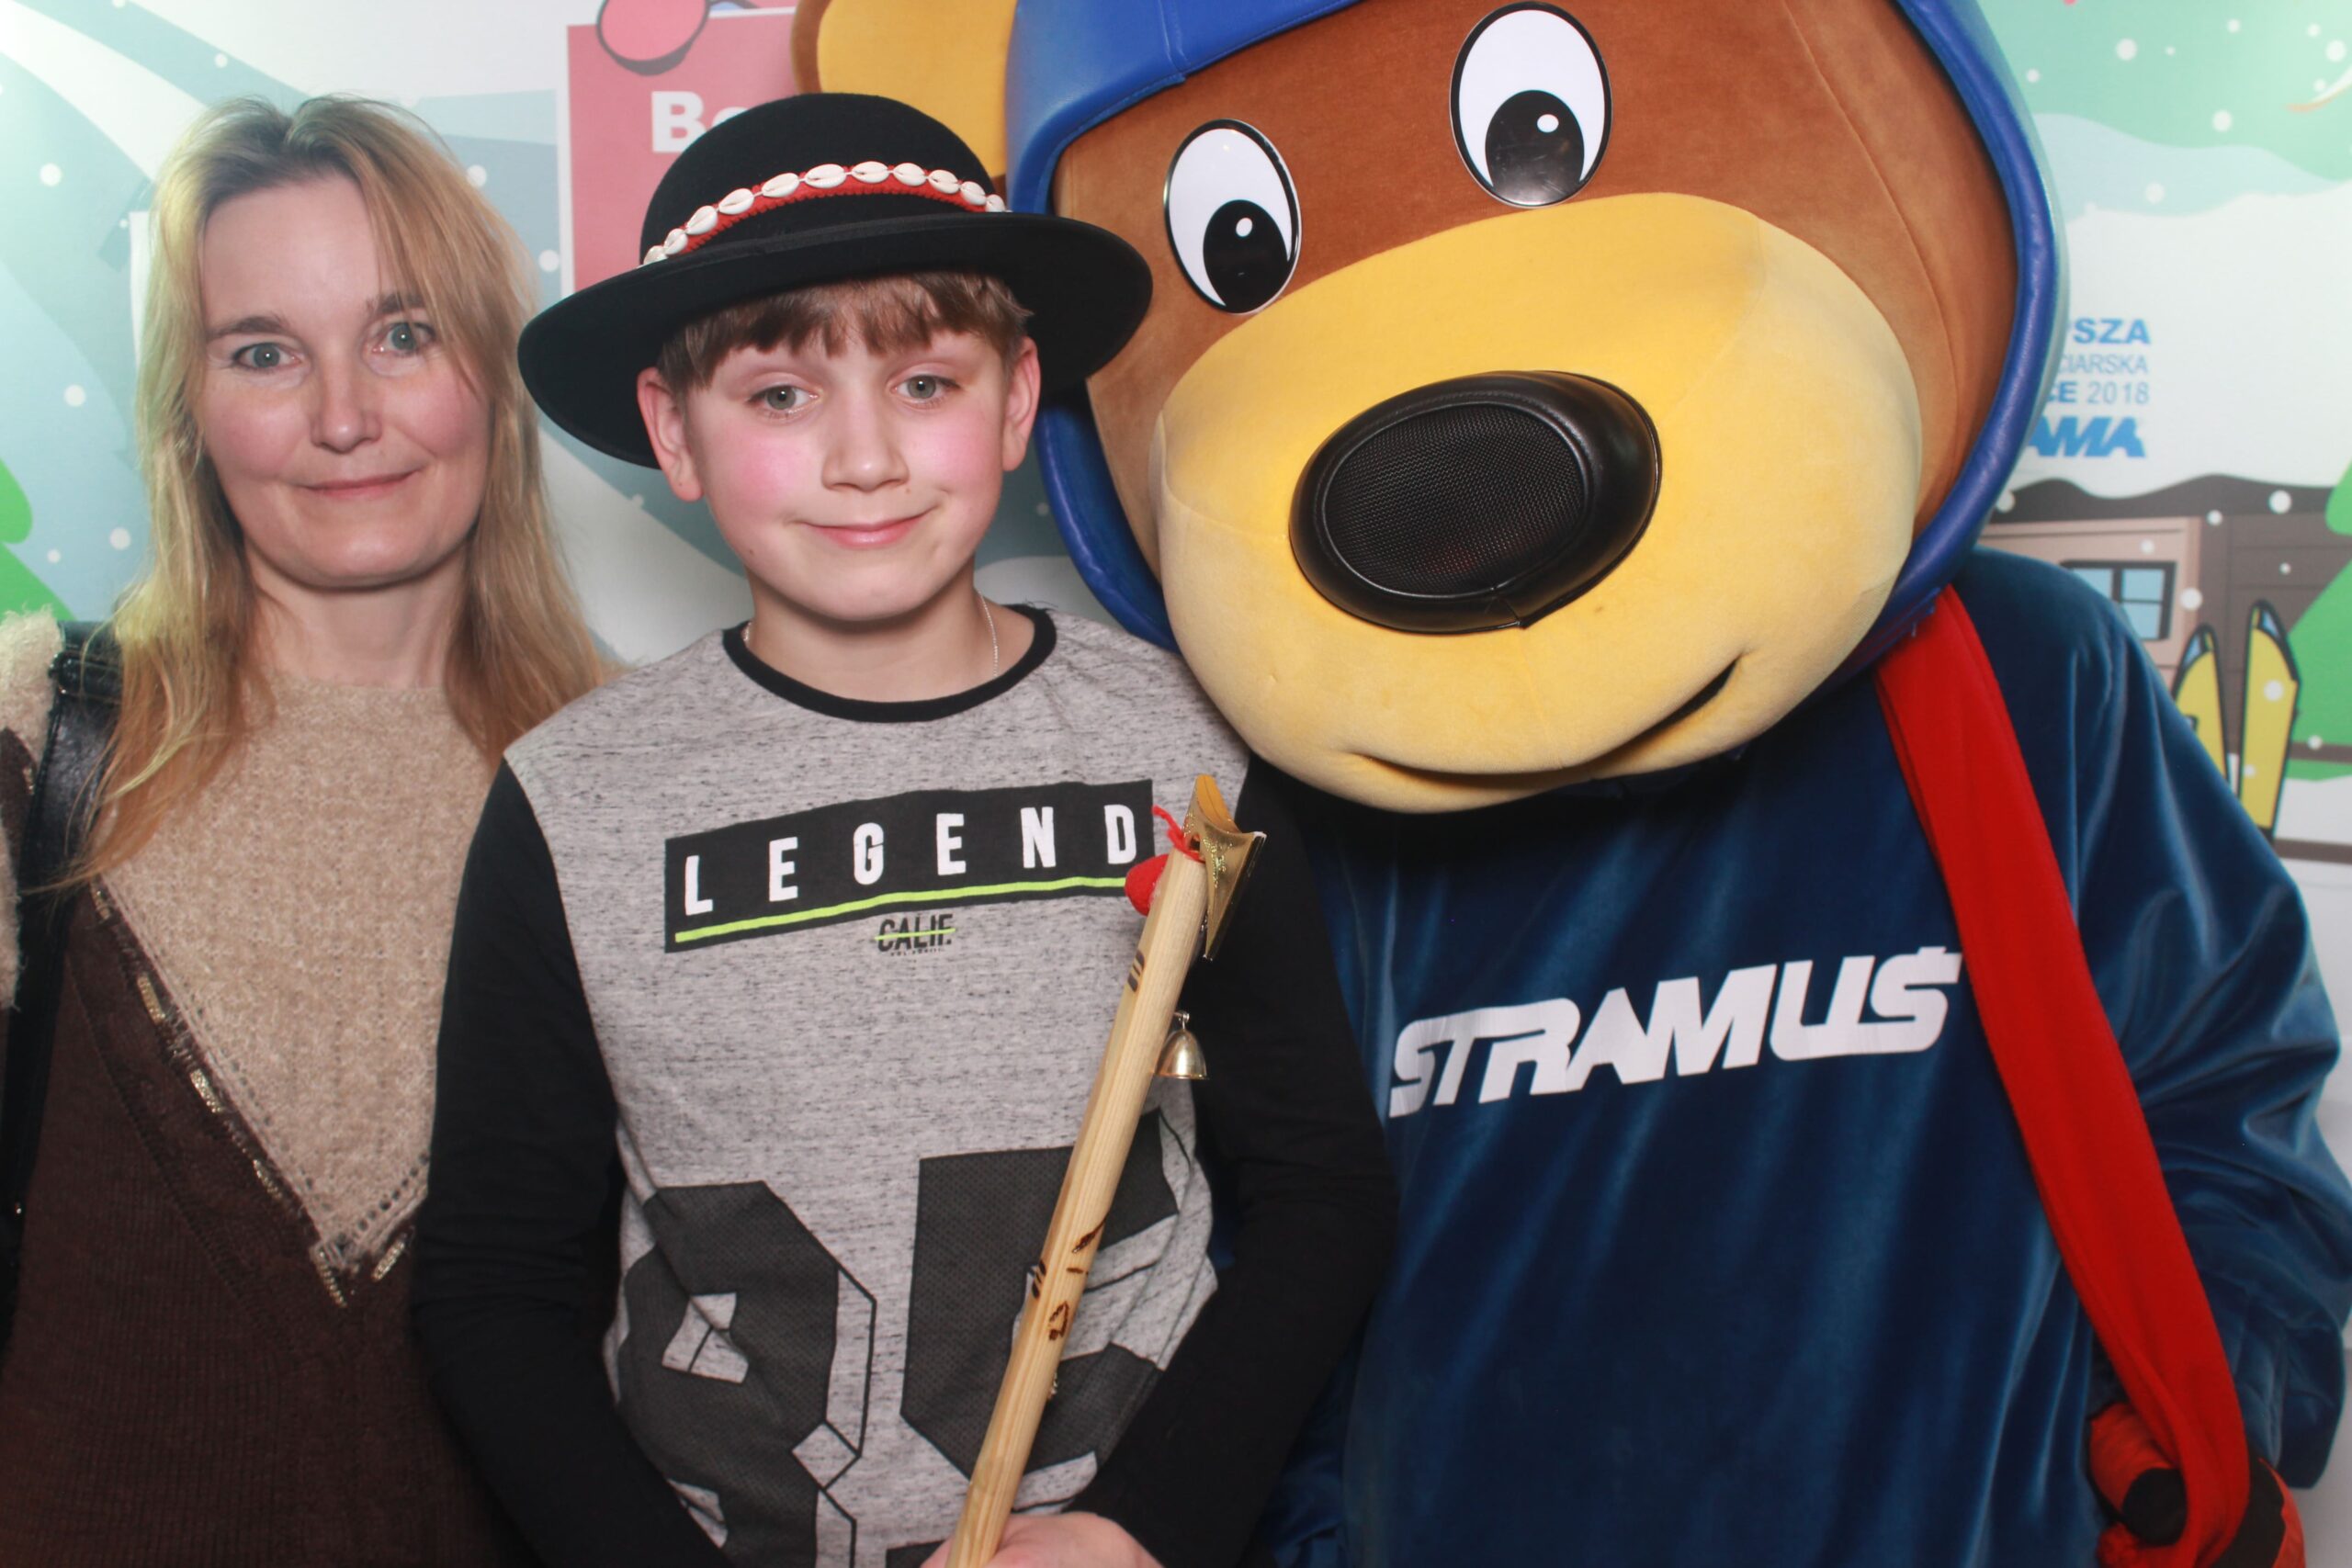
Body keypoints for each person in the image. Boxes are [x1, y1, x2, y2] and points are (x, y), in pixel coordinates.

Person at [411, 93, 1394, 1568]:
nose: (864, 458)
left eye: (926, 382)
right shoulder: (573, 802)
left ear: (1016, 399)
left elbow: (1322, 1194)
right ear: (674, 431)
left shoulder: (1191, 754)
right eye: (780, 398)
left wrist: (1143, 1528)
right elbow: (494, 1286)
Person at [0, 96, 603, 1562]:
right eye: (264, 352)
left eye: (402, 334)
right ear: (188, 411)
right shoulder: (36, 731)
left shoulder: (635, 779)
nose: (344, 417)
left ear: (491, 375)